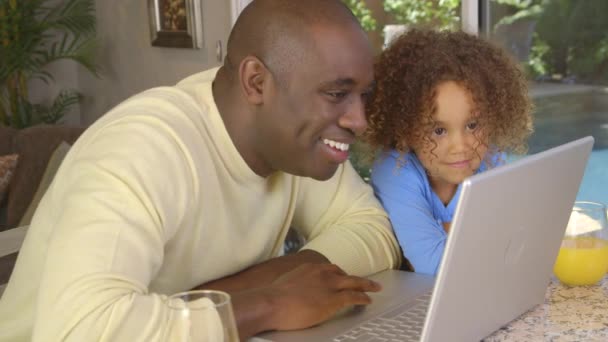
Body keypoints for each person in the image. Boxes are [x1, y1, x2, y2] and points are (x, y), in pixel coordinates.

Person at [0, 1, 402, 340]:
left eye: (362, 95)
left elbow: (372, 230)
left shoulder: (292, 143)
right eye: (336, 94)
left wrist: (233, 291)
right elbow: (77, 329)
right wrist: (268, 303)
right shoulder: (143, 149)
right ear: (257, 82)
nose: (359, 120)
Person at [364, 29, 533, 275]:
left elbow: (524, 241)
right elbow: (434, 265)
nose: (460, 146)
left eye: (472, 125)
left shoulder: (491, 159)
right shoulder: (394, 169)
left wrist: (447, 229)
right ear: (406, 129)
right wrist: (490, 231)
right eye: (438, 130)